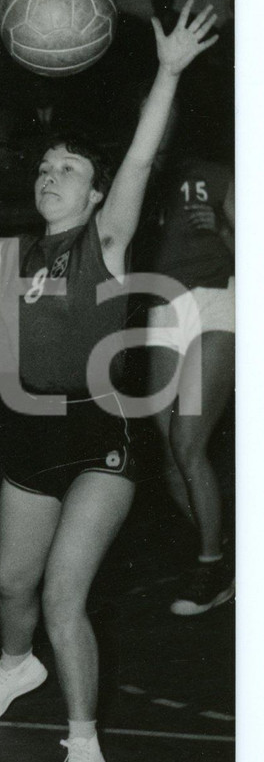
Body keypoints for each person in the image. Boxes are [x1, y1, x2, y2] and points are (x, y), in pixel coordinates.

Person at [0, 0, 217, 762]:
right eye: (44, 169)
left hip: (102, 431)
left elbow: (142, 160)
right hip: (29, 431)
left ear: (95, 190)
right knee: (11, 585)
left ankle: (84, 749)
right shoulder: (16, 253)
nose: (49, 176)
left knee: (65, 592)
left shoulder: (106, 239)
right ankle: (17, 663)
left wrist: (170, 72)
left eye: (66, 169)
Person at [146, 150, 234, 616]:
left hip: (218, 299)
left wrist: (223, 229)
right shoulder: (141, 182)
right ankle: (224, 544)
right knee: (170, 455)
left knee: (188, 441)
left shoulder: (219, 173)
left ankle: (212, 565)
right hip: (165, 306)